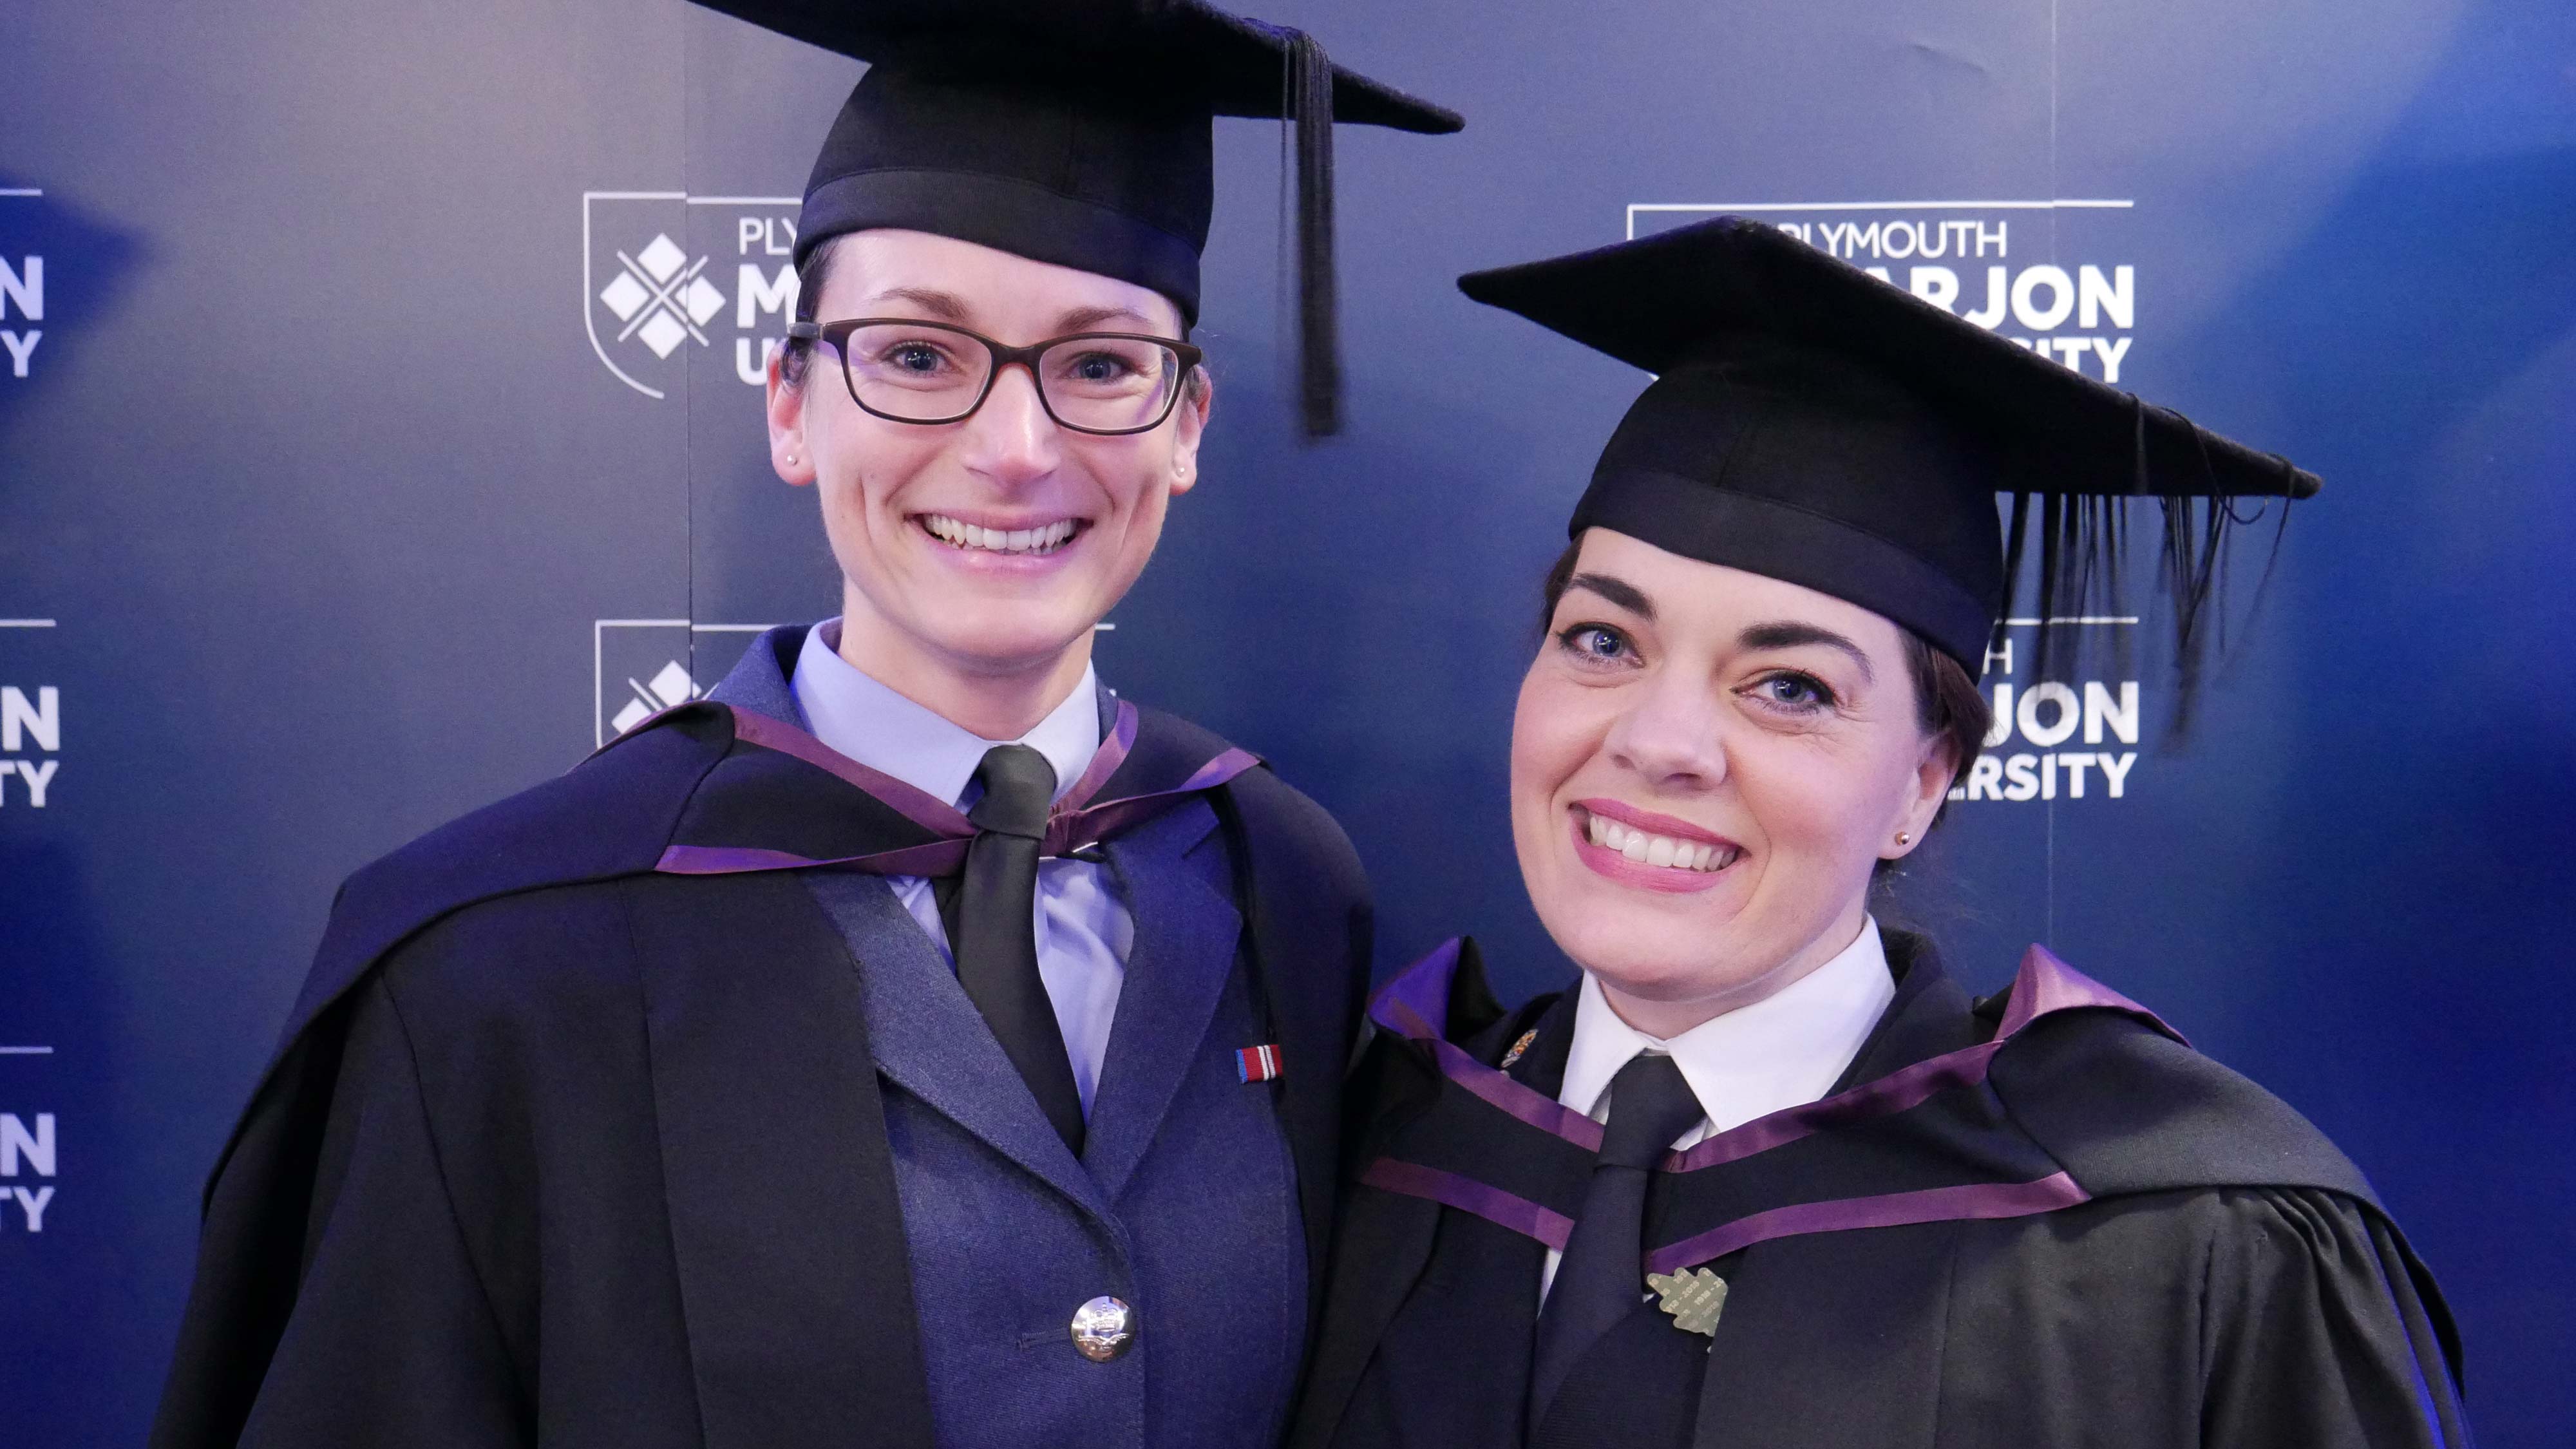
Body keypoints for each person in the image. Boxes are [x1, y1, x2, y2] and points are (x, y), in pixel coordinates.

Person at [149, 5, 1458, 1446]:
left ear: (1185, 424)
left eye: (1098, 365)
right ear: (790, 405)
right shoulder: (504, 960)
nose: (1015, 450)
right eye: (914, 356)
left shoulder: (1274, 880)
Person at [1289, 218, 2470, 1449]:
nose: (1659, 740)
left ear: (1924, 781)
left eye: (1789, 685)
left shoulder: (2187, 1241)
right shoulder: (1383, 1144)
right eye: (1604, 639)